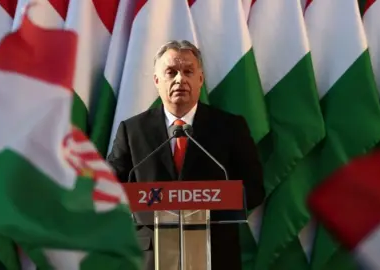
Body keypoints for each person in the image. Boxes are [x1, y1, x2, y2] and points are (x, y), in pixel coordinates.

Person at [107, 40, 265, 270]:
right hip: (151, 258)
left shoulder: (230, 127)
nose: (180, 79)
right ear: (157, 81)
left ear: (200, 79)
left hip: (214, 255)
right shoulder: (132, 130)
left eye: (188, 71)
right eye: (171, 72)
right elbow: (110, 189)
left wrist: (207, 199)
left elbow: (254, 190)